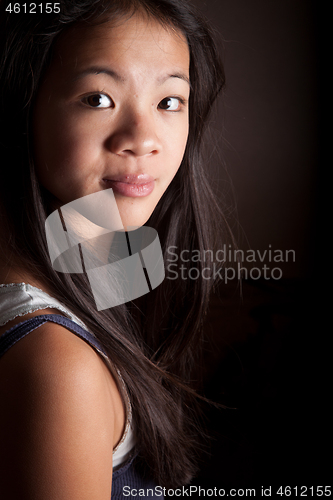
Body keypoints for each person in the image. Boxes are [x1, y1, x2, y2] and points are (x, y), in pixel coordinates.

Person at [0, 0, 229, 497]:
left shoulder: (89, 275)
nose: (143, 139)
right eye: (98, 98)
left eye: (170, 101)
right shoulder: (56, 364)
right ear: (21, 108)